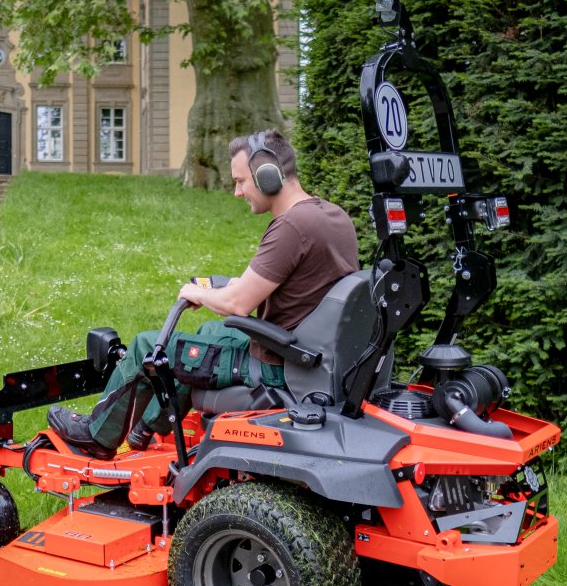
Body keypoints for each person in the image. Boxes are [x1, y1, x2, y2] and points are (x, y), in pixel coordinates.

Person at [46, 128, 360, 458]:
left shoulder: (291, 227)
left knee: (146, 346)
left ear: (268, 177)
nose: (238, 192)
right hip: (311, 354)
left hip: (280, 367)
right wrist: (225, 289)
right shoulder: (331, 215)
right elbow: (279, 285)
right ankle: (148, 428)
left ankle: (97, 436)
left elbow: (237, 304)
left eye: (241, 181)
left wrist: (194, 292)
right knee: (211, 332)